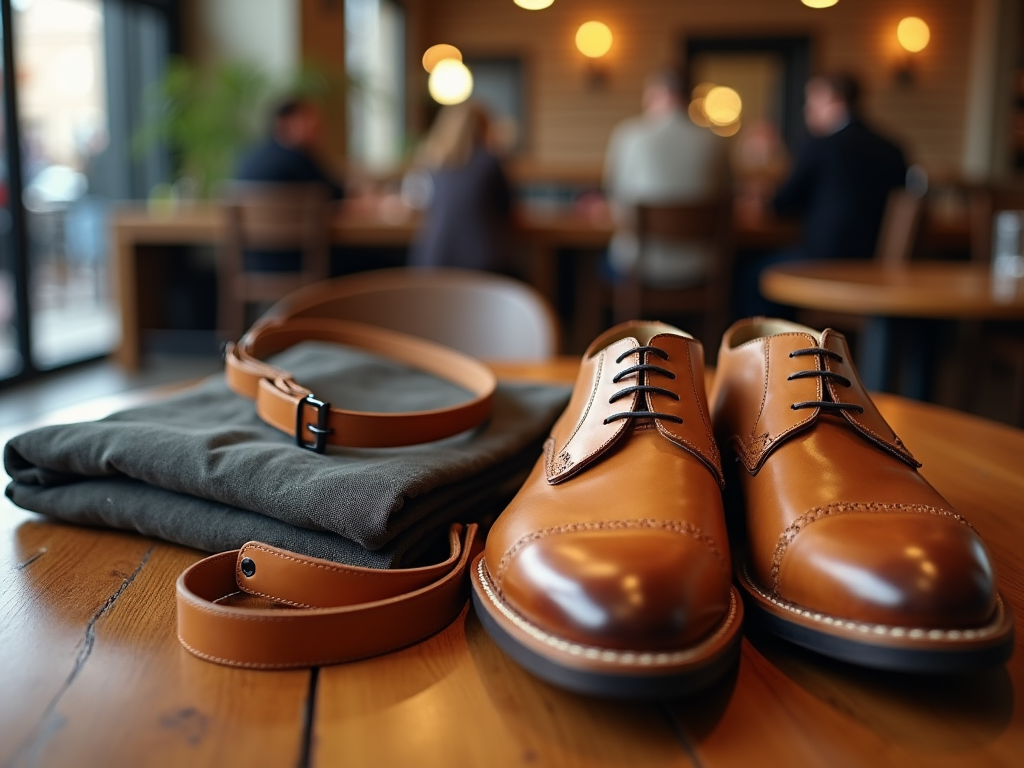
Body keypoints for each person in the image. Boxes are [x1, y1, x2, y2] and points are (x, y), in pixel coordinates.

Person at [736, 73, 907, 317]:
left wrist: (757, 199)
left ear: (835, 101)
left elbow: (781, 205)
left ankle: (778, 349)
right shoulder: (892, 148)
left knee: (750, 276)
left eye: (813, 101)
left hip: (826, 262)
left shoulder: (820, 145)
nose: (807, 110)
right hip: (877, 266)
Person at [603, 68, 730, 287]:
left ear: (658, 93)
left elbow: (615, 196)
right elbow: (729, 196)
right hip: (703, 263)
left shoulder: (629, 135)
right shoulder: (716, 141)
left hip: (640, 263)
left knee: (593, 267)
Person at [407, 102, 513, 271]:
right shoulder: (490, 162)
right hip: (482, 261)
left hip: (433, 259)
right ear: (484, 128)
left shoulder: (432, 162)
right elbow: (506, 208)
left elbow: (420, 203)